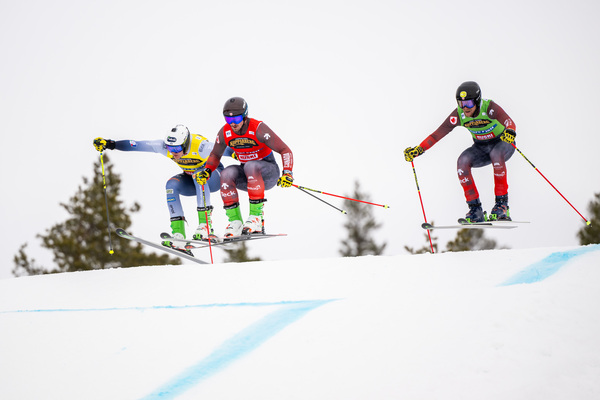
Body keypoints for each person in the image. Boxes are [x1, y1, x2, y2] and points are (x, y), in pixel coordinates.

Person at [93, 125, 232, 249]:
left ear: (185, 144)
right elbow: (135, 145)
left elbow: (225, 149)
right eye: (170, 148)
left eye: (177, 148)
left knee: (197, 174)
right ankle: (179, 235)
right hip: (193, 180)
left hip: (213, 177)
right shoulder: (164, 147)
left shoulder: (200, 146)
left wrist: (243, 155)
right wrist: (110, 144)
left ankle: (205, 226)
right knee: (171, 185)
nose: (173, 152)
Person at [404, 81, 517, 222]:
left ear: (477, 100)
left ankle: (502, 206)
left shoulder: (489, 108)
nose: (465, 108)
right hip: (481, 147)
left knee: (496, 155)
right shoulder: (458, 114)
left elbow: (509, 122)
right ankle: (475, 210)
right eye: (461, 103)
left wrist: (510, 132)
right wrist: (420, 149)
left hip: (503, 143)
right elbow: (437, 134)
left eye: (468, 103)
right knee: (462, 162)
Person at [195, 97, 294, 237]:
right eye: (228, 120)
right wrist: (207, 170)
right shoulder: (225, 132)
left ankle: (256, 218)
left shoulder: (258, 128)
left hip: (268, 172)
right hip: (248, 176)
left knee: (250, 165)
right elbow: (215, 155)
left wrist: (288, 173)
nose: (233, 124)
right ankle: (235, 222)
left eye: (236, 119)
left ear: (245, 116)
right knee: (226, 173)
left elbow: (285, 149)